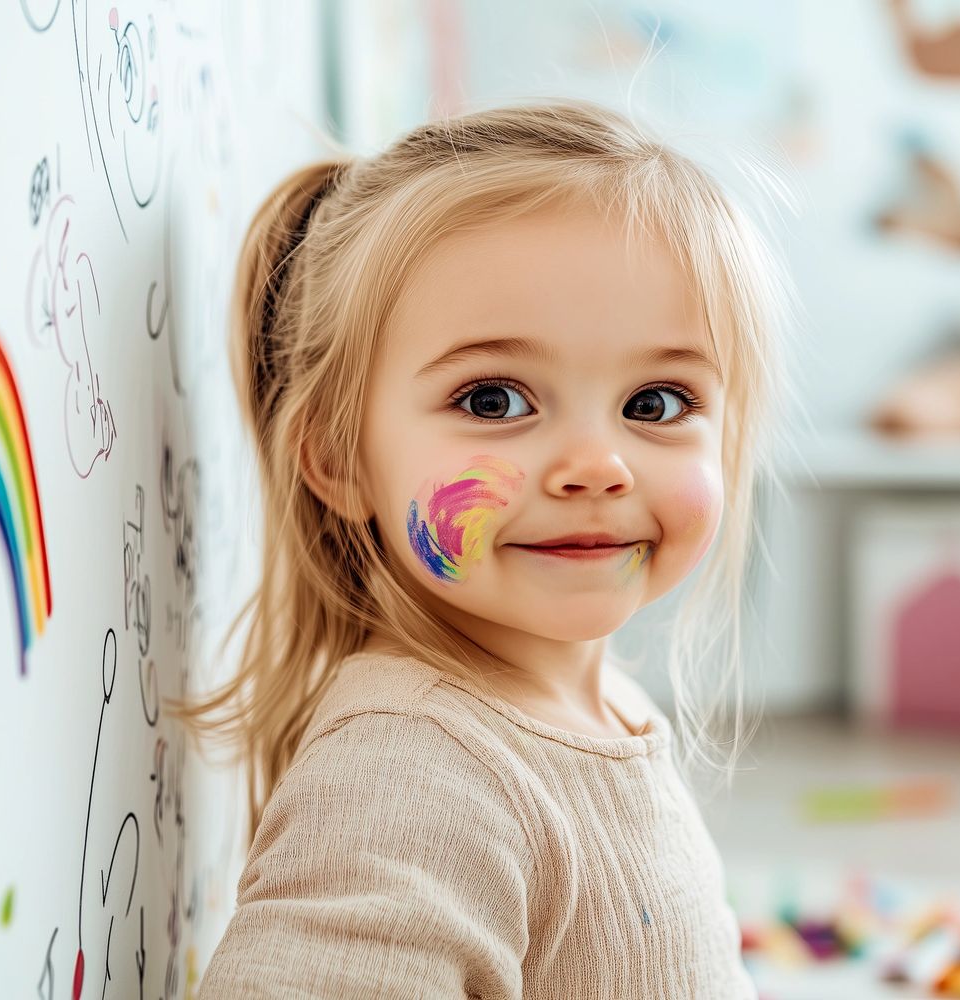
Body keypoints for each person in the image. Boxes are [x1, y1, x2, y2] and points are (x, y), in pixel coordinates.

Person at [180, 97, 790, 999]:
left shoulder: (598, 706)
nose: (597, 466)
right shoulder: (410, 773)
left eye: (656, 403)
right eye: (494, 400)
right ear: (341, 458)